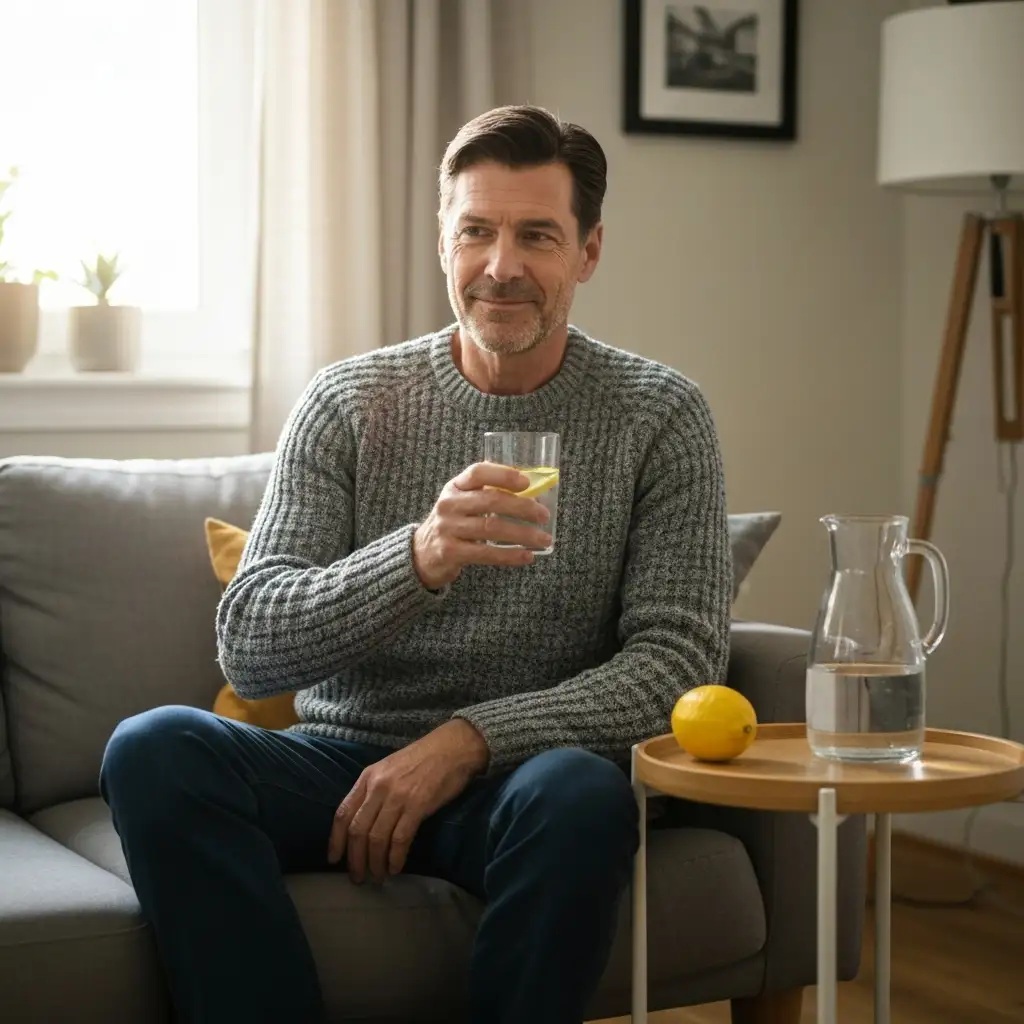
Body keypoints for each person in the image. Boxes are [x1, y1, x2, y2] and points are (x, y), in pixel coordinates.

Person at [99, 104, 732, 1024]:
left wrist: (465, 742)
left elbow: (676, 666)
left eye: (537, 236)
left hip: (524, 780)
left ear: (589, 252)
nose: (502, 266)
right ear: (443, 241)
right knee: (153, 749)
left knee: (587, 795)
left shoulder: (660, 415)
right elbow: (250, 644)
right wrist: (420, 556)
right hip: (337, 767)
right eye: (476, 230)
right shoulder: (349, 400)